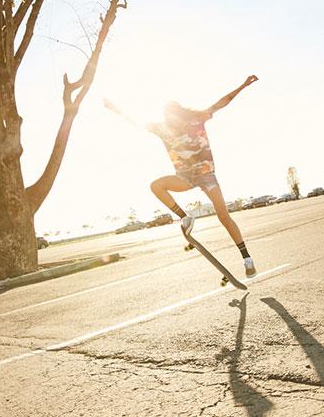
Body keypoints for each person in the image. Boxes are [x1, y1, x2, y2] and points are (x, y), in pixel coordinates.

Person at [104, 75, 259, 277]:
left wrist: (243, 86)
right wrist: (114, 108)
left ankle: (247, 259)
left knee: (224, 216)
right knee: (156, 186)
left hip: (207, 176)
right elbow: (135, 119)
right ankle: (185, 217)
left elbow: (222, 103)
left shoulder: (198, 118)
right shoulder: (162, 128)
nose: (171, 120)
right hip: (184, 178)